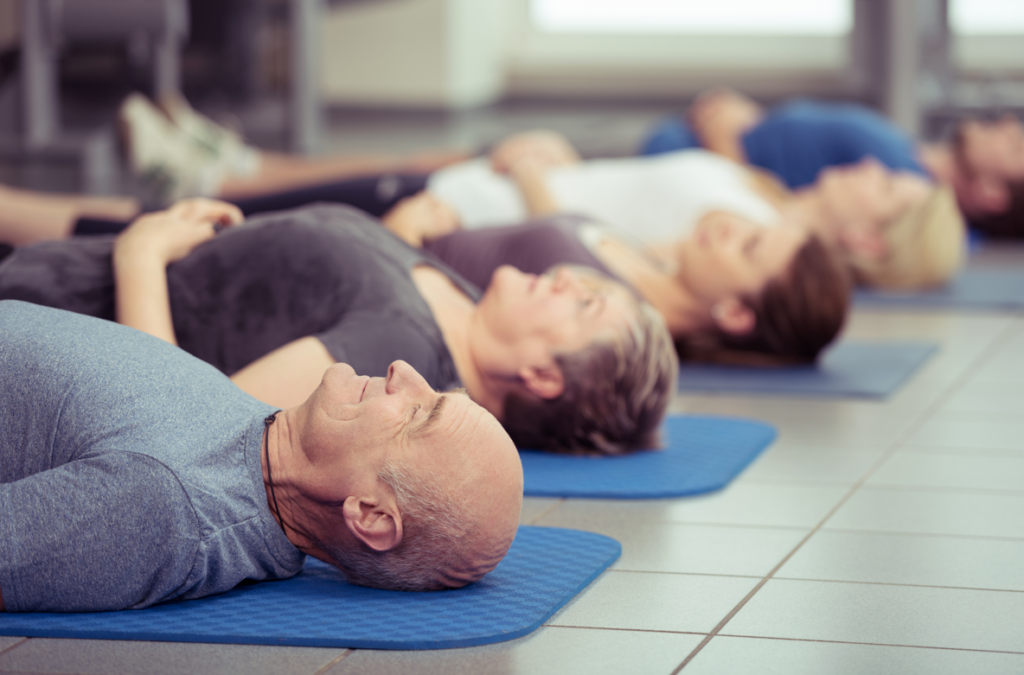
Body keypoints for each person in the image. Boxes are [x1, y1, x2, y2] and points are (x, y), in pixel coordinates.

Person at [0, 199, 677, 456]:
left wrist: (139, 254)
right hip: (49, 272)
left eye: (583, 305)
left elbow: (181, 426)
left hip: (40, 321)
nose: (565, 275)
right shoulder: (464, 300)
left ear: (542, 375)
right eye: (587, 283)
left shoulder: (396, 359)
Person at [0, 300, 524, 612]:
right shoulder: (255, 433)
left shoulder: (165, 508)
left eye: (416, 415)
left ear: (369, 514)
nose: (402, 371)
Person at [640, 90, 1024, 238]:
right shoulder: (904, 161)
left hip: (684, 171)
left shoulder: (904, 187)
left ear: (993, 195)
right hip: (694, 157)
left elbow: (763, 207)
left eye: (1017, 146)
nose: (1009, 126)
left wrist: (719, 127)